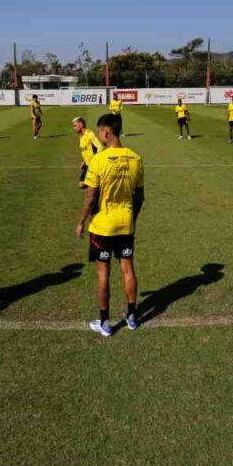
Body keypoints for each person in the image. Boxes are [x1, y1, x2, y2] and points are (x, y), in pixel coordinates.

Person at [76, 113, 145, 336]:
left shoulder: (99, 160)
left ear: (106, 131)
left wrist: (81, 221)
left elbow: (90, 197)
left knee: (103, 273)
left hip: (102, 227)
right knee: (128, 270)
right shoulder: (135, 158)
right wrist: (131, 219)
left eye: (100, 131)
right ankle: (132, 316)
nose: (99, 135)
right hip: (126, 224)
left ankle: (105, 323)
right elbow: (139, 197)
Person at [71, 116, 101, 188]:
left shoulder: (89, 134)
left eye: (75, 126)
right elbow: (85, 150)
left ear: (81, 124)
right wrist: (84, 162)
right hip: (87, 164)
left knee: (90, 187)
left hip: (93, 165)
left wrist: (95, 161)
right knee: (81, 185)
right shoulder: (81, 136)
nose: (74, 128)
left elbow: (100, 147)